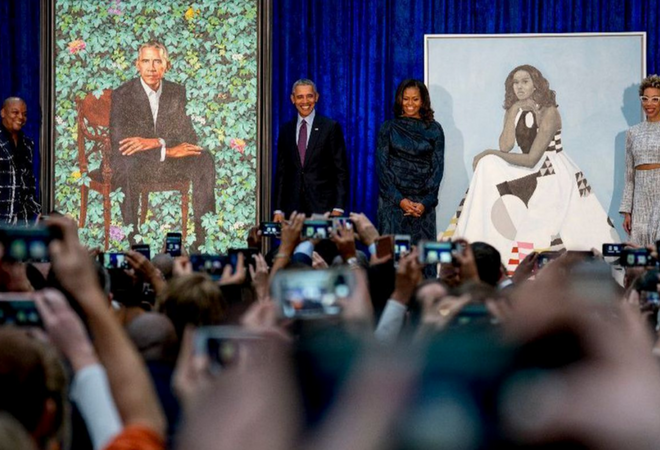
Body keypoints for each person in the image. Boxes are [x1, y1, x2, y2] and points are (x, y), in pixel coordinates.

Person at [450, 64, 617, 271]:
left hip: (550, 169)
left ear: (536, 84)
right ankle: (480, 236)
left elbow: (532, 159)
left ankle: (537, 266)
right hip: (529, 168)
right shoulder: (516, 110)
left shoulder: (550, 112)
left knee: (539, 222)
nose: (519, 87)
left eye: (525, 81)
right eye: (515, 83)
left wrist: (489, 152)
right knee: (487, 165)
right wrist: (512, 112)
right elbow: (506, 146)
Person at [110, 41, 216, 249]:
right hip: (137, 163)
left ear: (166, 65)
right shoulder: (122, 94)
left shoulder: (176, 92)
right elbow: (121, 143)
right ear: (137, 64)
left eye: (157, 61)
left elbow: (187, 135)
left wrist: (154, 143)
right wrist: (167, 149)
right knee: (126, 165)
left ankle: (201, 239)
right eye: (146, 61)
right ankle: (135, 241)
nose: (151, 67)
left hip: (165, 162)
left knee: (204, 157)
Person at [376, 79, 445, 244]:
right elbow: (382, 168)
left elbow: (437, 170)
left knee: (422, 261)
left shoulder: (434, 129)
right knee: (391, 262)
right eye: (406, 98)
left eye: (415, 99)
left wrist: (424, 203)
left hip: (423, 207)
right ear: (400, 100)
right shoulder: (388, 128)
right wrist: (400, 200)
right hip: (393, 205)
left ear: (423, 101)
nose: (410, 104)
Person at [273, 79, 349, 220]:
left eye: (309, 96)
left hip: (323, 208)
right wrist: (278, 209)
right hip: (292, 209)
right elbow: (281, 173)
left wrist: (338, 208)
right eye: (300, 97)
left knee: (321, 243)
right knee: (293, 243)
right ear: (292, 99)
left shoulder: (330, 127)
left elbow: (341, 171)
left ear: (316, 97)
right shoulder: (285, 130)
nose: (305, 101)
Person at [620, 74, 660, 246]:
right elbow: (629, 176)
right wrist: (627, 211)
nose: (649, 104)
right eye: (645, 99)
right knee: (638, 253)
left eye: (655, 99)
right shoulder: (632, 132)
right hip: (640, 196)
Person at [0, 97, 41, 224]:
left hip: (22, 224)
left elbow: (28, 184)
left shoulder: (28, 144)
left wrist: (37, 211)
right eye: (15, 112)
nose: (21, 117)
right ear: (3, 113)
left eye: (24, 114)